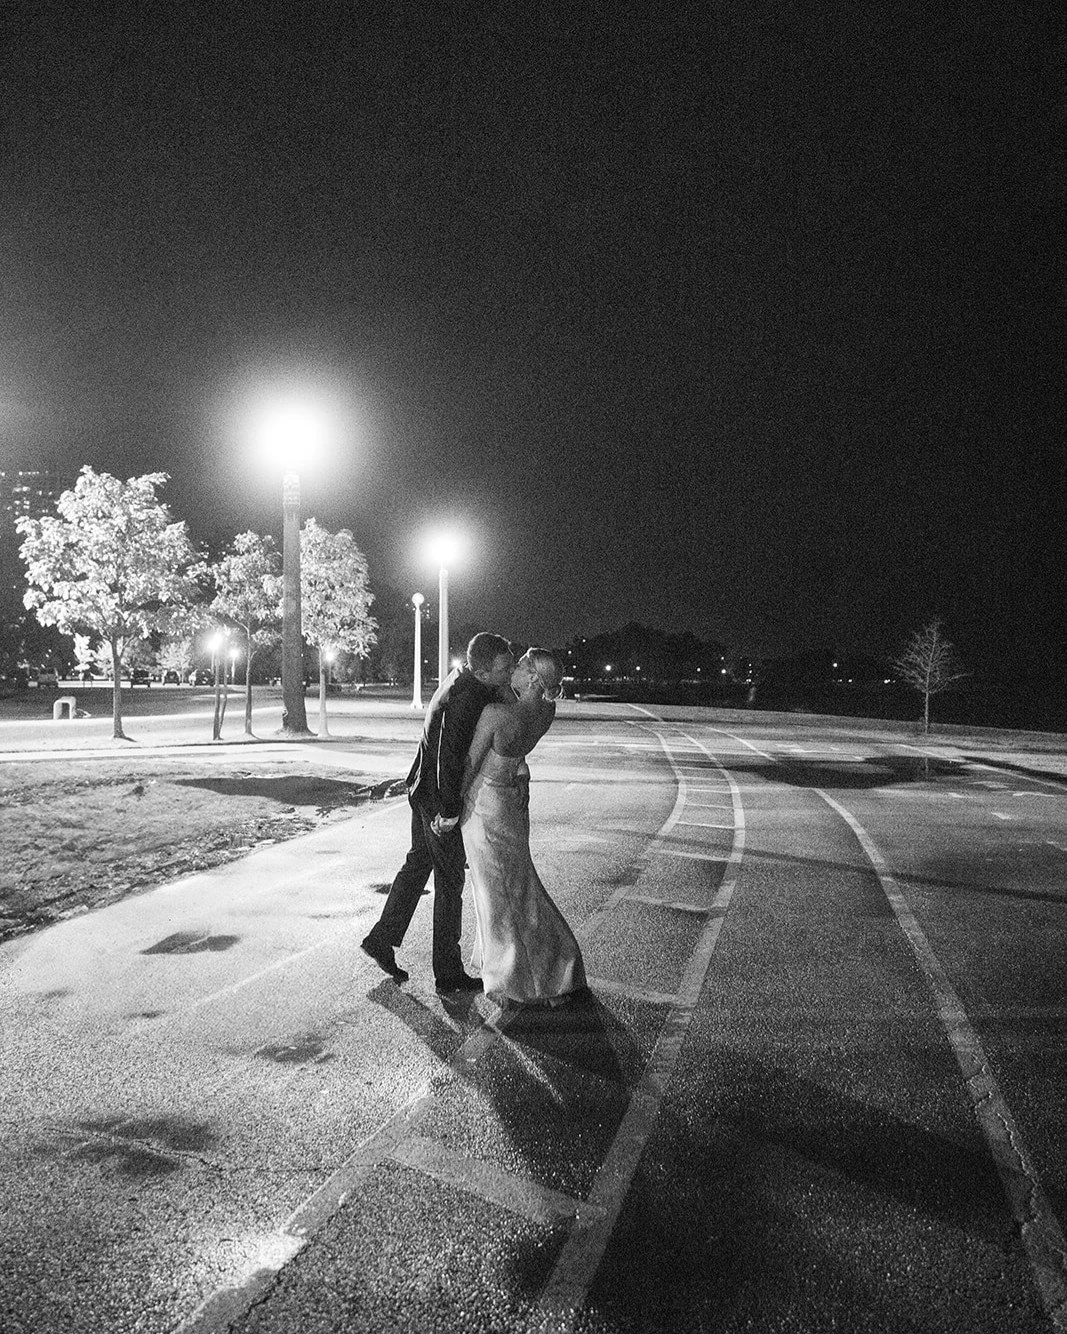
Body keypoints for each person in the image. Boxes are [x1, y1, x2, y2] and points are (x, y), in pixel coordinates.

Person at [361, 632, 515, 992]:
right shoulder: (468, 697)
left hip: (422, 788)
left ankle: (381, 939)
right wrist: (448, 811)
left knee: (417, 865)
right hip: (435, 798)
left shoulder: (463, 680)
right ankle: (448, 973)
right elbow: (449, 755)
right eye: (504, 667)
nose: (509, 673)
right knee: (449, 881)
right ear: (483, 671)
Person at [461, 648, 587, 1007]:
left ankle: (520, 976)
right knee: (519, 885)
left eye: (518, 666)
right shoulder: (546, 710)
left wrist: (448, 810)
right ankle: (549, 963)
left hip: (485, 805)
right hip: (512, 803)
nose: (511, 670)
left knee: (497, 893)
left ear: (532, 677)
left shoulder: (496, 715)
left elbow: (470, 764)